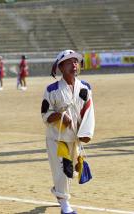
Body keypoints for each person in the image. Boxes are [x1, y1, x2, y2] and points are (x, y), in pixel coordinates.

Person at [41, 50, 95, 214]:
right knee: (63, 170)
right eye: (69, 62)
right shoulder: (51, 90)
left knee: (69, 171)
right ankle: (65, 206)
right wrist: (60, 116)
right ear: (61, 67)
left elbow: (88, 111)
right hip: (56, 138)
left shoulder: (85, 87)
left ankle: (58, 190)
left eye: (76, 62)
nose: (74, 65)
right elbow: (45, 115)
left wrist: (87, 133)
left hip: (75, 138)